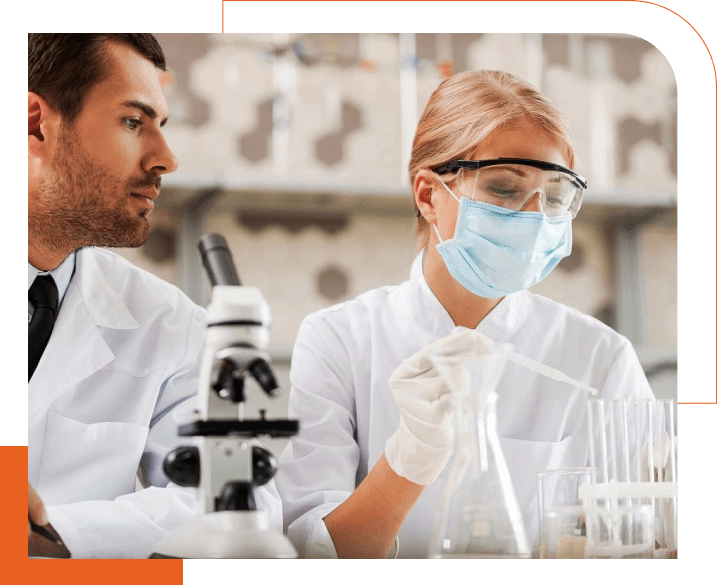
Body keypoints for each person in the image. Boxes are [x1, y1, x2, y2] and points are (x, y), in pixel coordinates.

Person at [276, 70, 656, 558]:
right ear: (429, 196)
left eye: (555, 195)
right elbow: (314, 551)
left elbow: (648, 536)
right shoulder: (339, 340)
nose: (535, 217)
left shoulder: (599, 358)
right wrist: (406, 461)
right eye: (503, 188)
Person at [28, 33, 281, 559]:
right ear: (36, 122)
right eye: (132, 122)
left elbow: (237, 501)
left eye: (161, 127)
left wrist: (52, 538)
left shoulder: (169, 323)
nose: (165, 158)